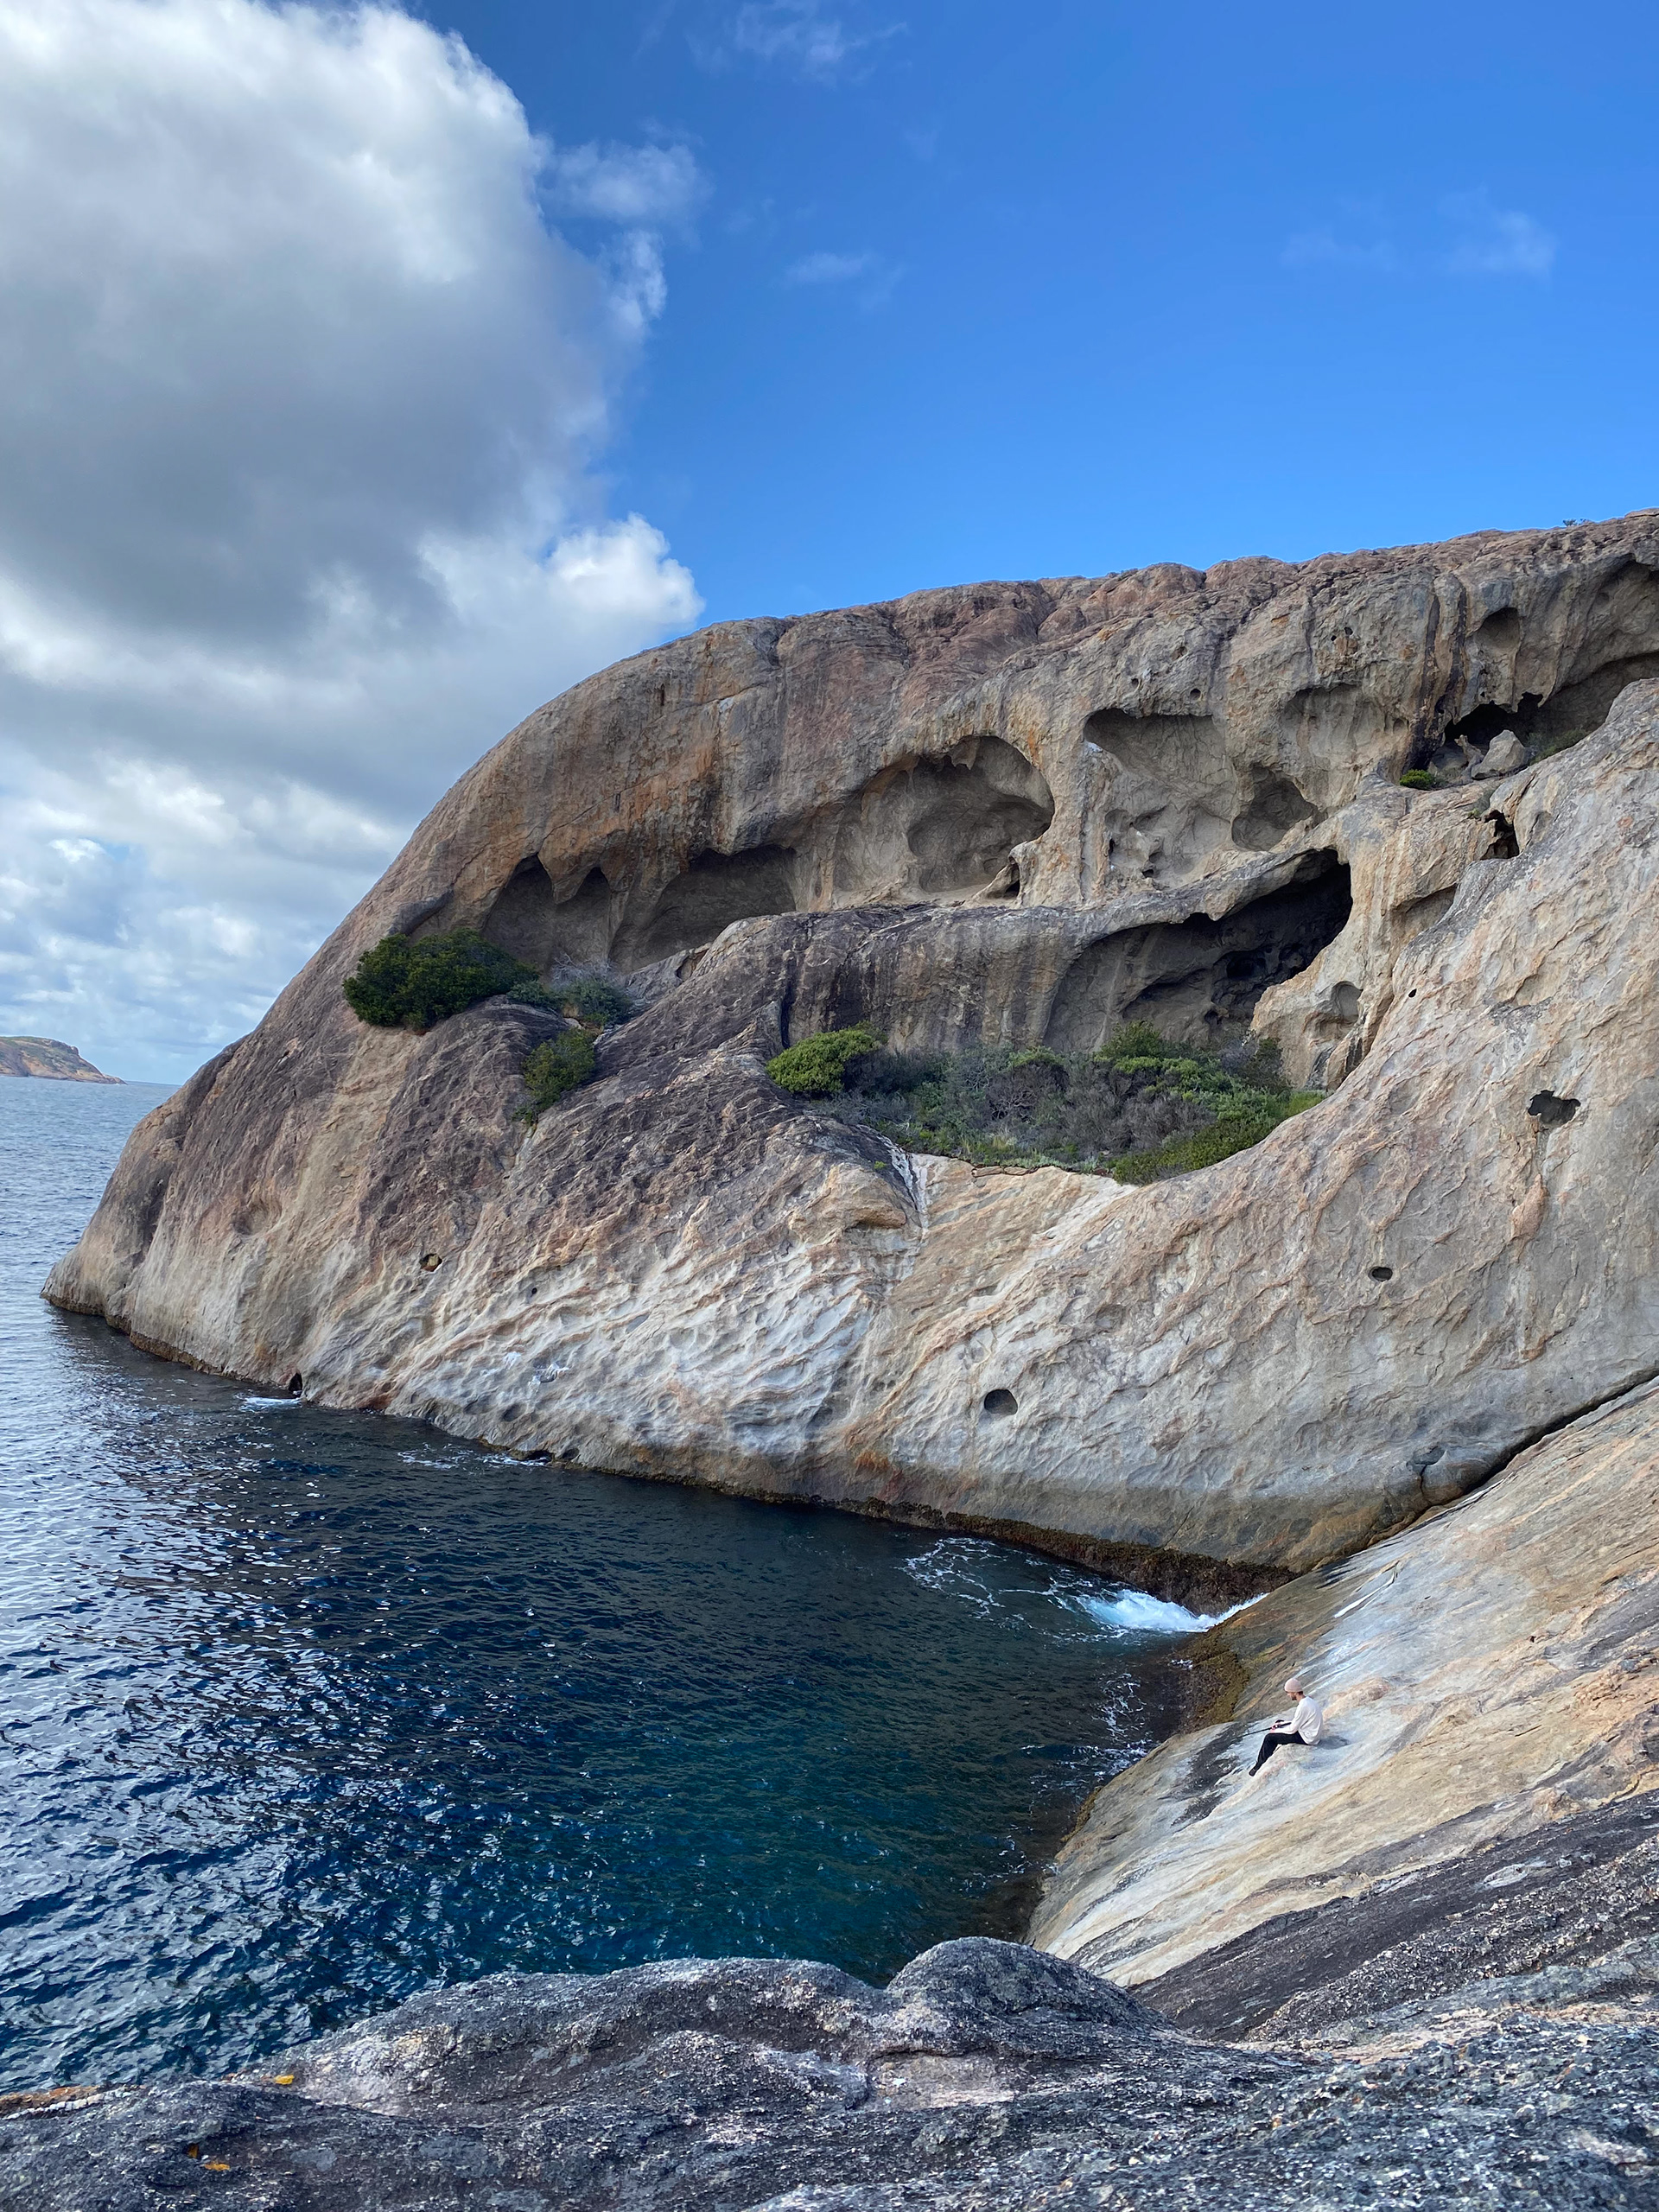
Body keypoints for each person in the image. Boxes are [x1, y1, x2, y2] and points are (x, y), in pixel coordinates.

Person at [1249, 1676, 1325, 1775]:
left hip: (1308, 1738)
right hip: (1309, 1733)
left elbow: (1292, 1729)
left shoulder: (1303, 1706)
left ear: (1295, 1692)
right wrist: (1280, 1724)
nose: (1288, 1695)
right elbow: (1296, 1721)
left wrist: (1275, 1731)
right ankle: (1266, 1756)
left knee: (1269, 1738)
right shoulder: (1309, 1701)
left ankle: (1258, 1766)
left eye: (1289, 1692)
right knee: (1279, 1722)